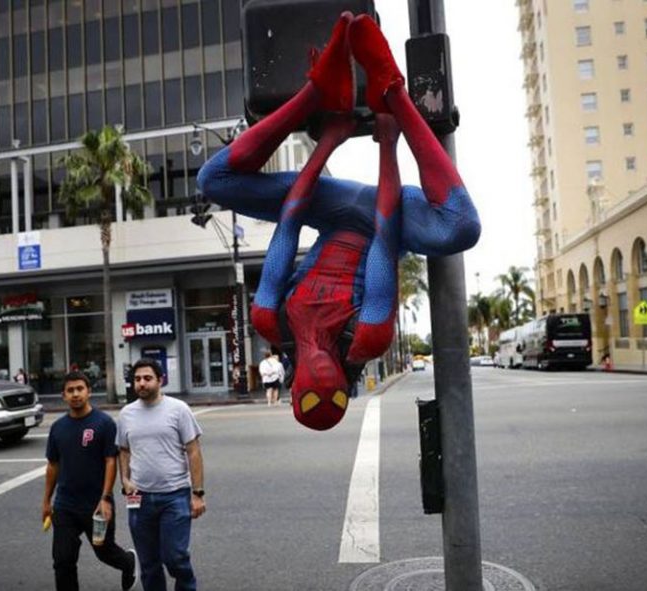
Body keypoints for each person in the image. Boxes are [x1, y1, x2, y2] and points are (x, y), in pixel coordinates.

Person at [197, 13, 480, 431]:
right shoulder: (367, 336)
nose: (324, 387)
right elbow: (385, 236)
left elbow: (290, 221)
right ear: (347, 390)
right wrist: (388, 136)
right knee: (461, 228)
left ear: (295, 389)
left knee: (213, 180)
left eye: (312, 397)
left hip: (328, 209)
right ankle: (392, 88)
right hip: (390, 212)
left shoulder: (271, 321)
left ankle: (317, 91)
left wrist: (329, 140)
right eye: (336, 397)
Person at [42, 371, 137, 591]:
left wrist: (106, 497)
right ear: (64, 395)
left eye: (80, 389)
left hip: (96, 504)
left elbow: (110, 461)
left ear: (89, 392)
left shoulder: (104, 423)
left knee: (104, 551)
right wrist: (46, 500)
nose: (75, 394)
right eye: (70, 390)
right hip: (65, 505)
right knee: (62, 560)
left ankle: (128, 562)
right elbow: (53, 465)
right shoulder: (58, 427)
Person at [117, 358, 206, 591]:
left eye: (147, 378)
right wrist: (124, 479)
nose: (141, 383)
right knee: (149, 564)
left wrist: (197, 493)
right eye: (137, 379)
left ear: (160, 380)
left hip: (175, 495)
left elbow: (193, 451)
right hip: (139, 498)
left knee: (175, 557)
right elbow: (124, 450)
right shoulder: (126, 414)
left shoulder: (178, 409)